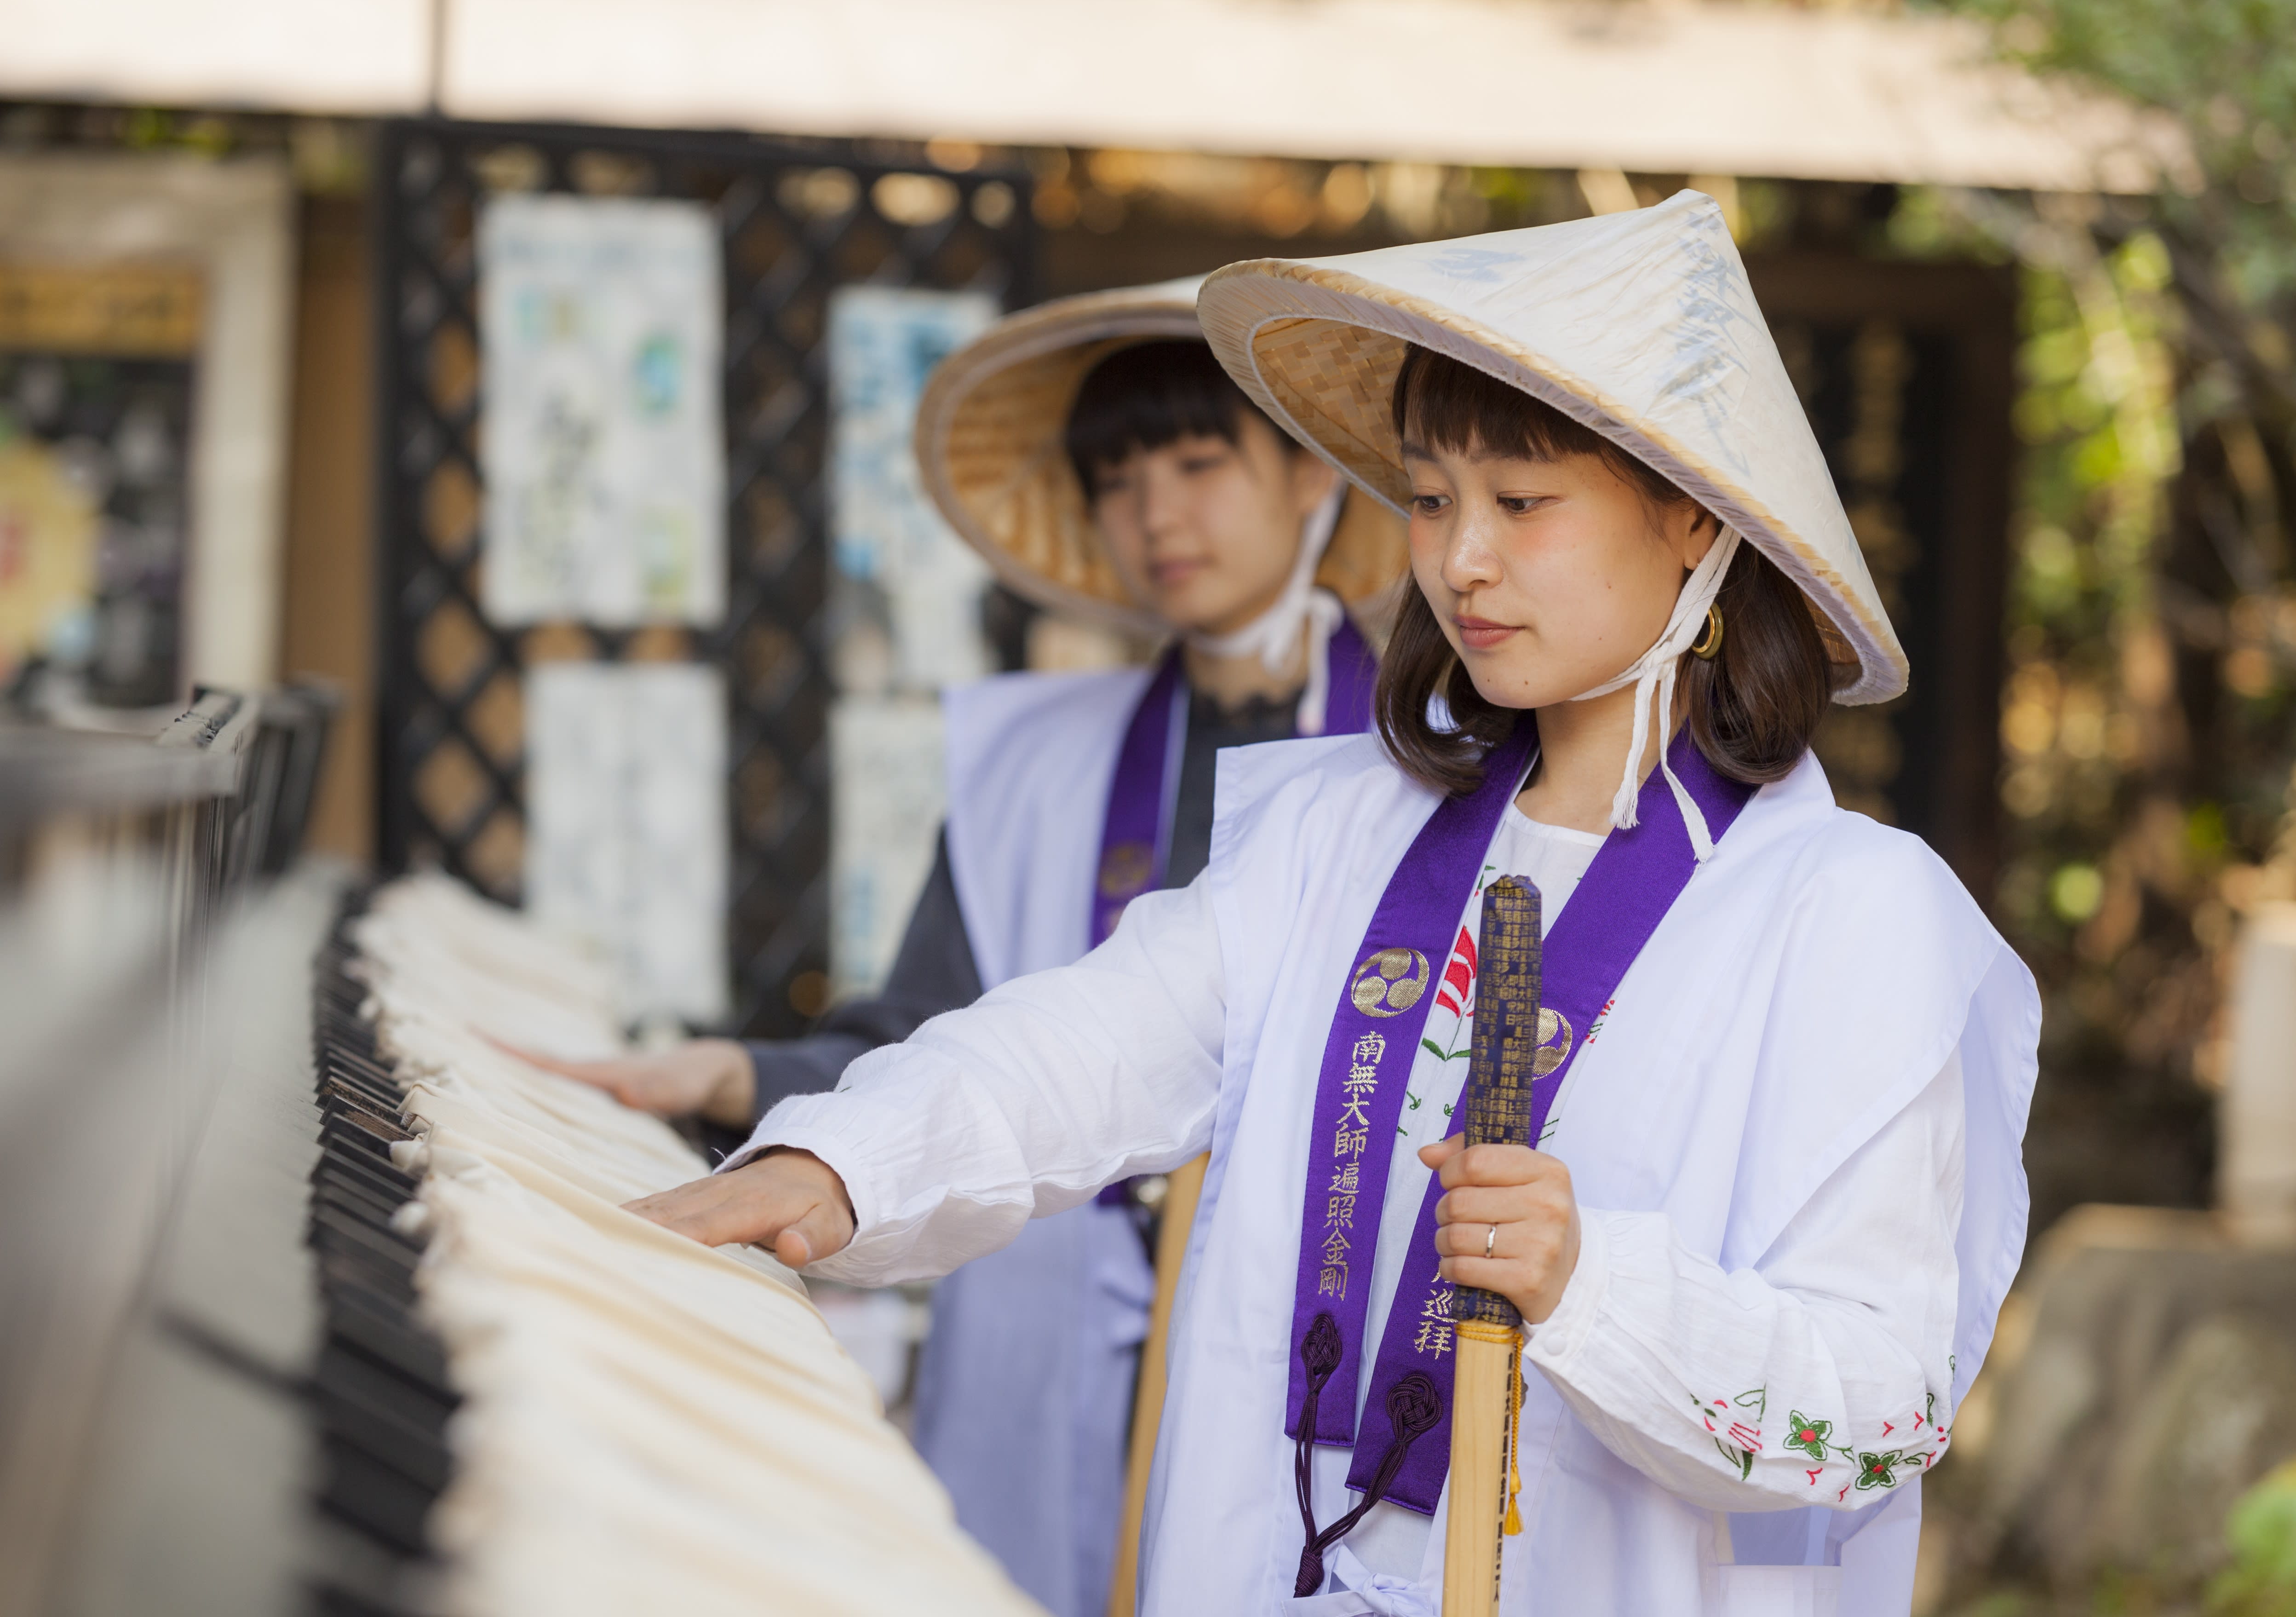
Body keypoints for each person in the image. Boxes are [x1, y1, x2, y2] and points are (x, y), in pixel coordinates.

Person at [623, 194, 2041, 1616]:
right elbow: (1089, 1046)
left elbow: (1884, 1405)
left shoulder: (1851, 917)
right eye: (1431, 500)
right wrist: (839, 1168)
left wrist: (1595, 1286)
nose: (1459, 559)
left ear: (1691, 517)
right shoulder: (1338, 832)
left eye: (1522, 503)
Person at [521, 277, 1405, 1617]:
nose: (1156, 512)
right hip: (1043, 1337)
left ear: (1311, 475)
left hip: (1293, 1336)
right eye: (1116, 476)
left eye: (1197, 460)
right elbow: (924, 1033)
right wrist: (726, 1078)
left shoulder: (1420, 765)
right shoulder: (1030, 765)